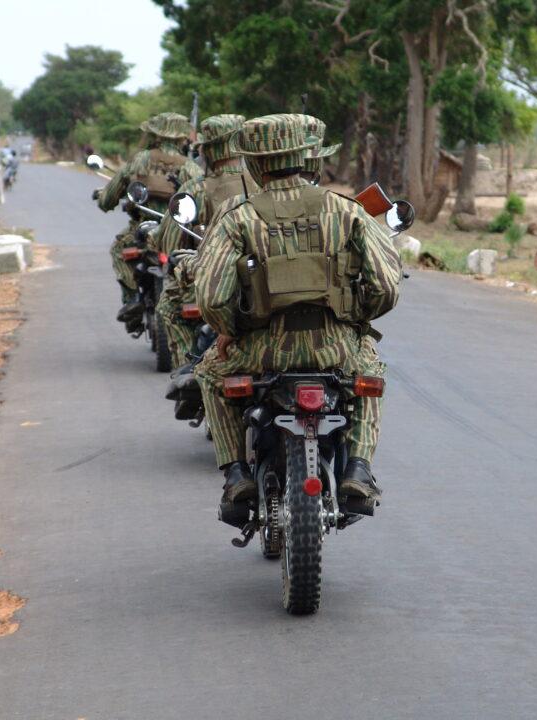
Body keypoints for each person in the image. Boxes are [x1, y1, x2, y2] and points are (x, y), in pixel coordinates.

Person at [193, 114, 402, 514]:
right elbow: (386, 286)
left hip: (260, 352)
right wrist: (355, 318)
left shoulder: (237, 217)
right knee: (371, 373)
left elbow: (212, 299)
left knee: (207, 373)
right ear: (311, 159)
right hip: (336, 350)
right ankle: (357, 469)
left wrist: (233, 331)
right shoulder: (347, 211)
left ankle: (237, 475)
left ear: (254, 164)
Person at [150, 113, 252, 374]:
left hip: (213, 281)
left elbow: (169, 242)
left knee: (170, 307)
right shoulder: (262, 184)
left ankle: (192, 370)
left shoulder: (195, 188)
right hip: (264, 280)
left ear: (209, 149)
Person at [93, 112, 201, 325]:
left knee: (118, 250)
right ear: (182, 138)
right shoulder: (191, 167)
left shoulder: (139, 160)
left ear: (155, 135)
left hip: (142, 229)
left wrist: (104, 199)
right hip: (179, 233)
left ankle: (132, 298)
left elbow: (110, 197)